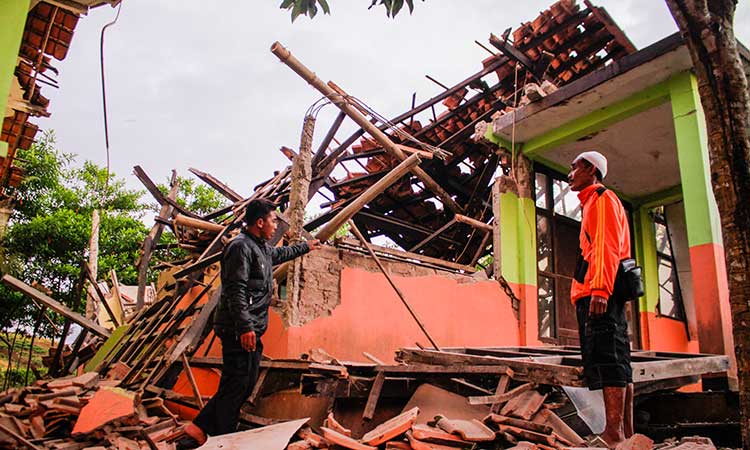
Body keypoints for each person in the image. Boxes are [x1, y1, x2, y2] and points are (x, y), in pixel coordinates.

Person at [179, 199, 321, 448]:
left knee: (242, 382)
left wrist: (306, 247)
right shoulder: (240, 247)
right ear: (260, 222)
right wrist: (245, 327)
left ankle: (198, 428)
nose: (275, 224)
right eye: (273, 220)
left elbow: (280, 254)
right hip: (238, 328)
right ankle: (221, 439)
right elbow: (236, 290)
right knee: (238, 384)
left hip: (251, 327)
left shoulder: (260, 247)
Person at [567, 151, 633, 447]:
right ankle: (626, 433)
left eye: (574, 168)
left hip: (599, 294)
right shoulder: (596, 202)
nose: (570, 174)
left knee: (607, 360)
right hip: (601, 291)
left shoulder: (602, 200)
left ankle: (613, 433)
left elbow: (607, 247)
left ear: (591, 169)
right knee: (618, 360)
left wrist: (600, 291)